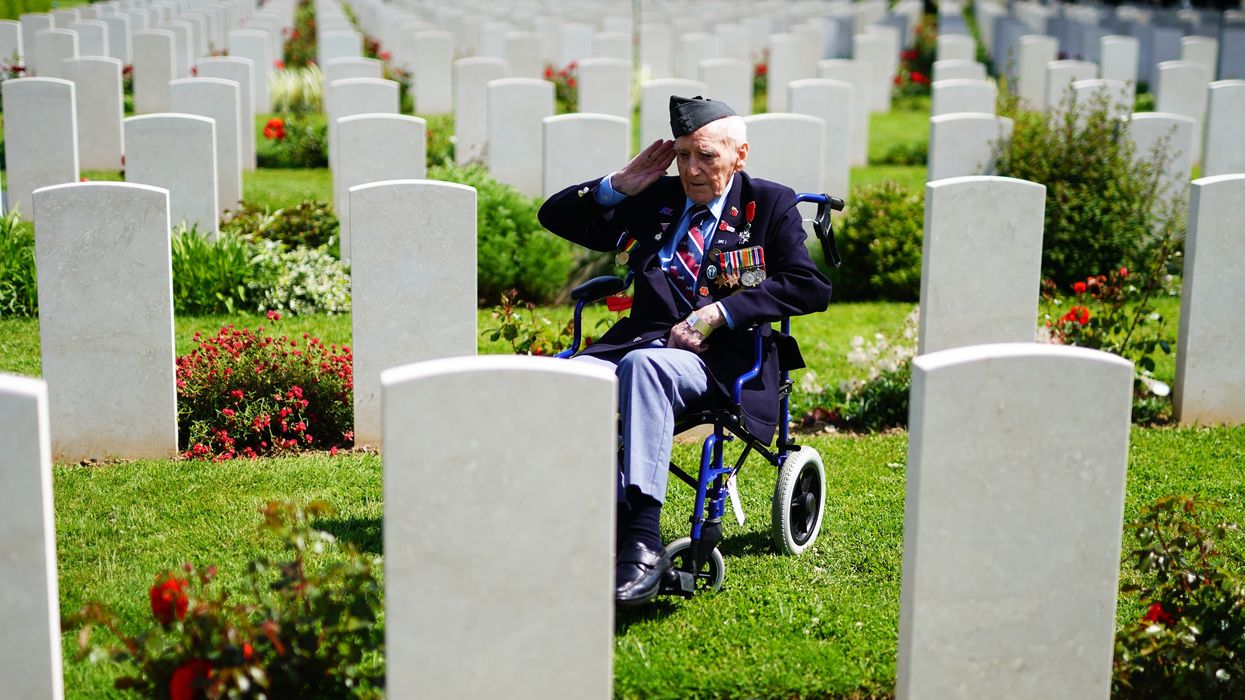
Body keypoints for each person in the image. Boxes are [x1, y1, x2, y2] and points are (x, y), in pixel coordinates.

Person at [538, 95, 832, 605]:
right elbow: (555, 217)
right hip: (637, 342)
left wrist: (721, 312)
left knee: (644, 367)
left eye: (706, 157)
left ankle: (642, 543)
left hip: (720, 360)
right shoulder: (660, 198)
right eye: (682, 155)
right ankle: (579, 521)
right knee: (561, 381)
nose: (692, 170)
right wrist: (619, 186)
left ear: (740, 154)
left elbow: (808, 285)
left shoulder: (769, 203)